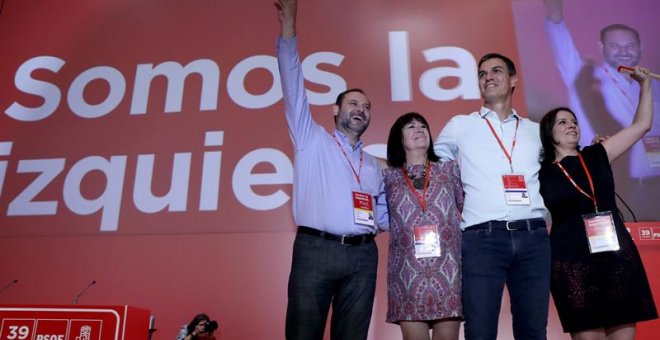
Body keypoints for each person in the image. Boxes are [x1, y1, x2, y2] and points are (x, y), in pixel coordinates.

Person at [274, 0, 388, 339]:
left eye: (366, 107)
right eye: (353, 103)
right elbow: (292, 83)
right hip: (316, 252)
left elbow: (382, 217)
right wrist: (289, 28)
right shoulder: (312, 139)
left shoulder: (373, 164)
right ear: (336, 109)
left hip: (364, 256)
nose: (361, 110)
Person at [434, 53, 550, 340]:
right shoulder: (460, 126)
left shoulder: (536, 131)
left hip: (533, 237)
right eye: (482, 73)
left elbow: (562, 167)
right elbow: (431, 167)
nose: (488, 77)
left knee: (533, 330)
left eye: (496, 71)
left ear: (513, 79)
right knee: (480, 330)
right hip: (482, 239)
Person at [538, 66, 658, 339]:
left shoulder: (597, 153)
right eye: (562, 122)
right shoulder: (540, 173)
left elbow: (642, 125)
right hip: (572, 264)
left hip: (616, 257)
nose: (572, 125)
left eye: (574, 121)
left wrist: (645, 84)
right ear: (549, 133)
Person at [542, 0, 660, 221]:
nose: (623, 52)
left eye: (630, 46)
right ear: (602, 46)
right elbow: (562, 45)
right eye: (615, 45)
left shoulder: (654, 85)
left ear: (640, 47)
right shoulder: (586, 77)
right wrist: (556, 18)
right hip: (625, 191)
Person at [383, 112, 464, 340]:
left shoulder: (449, 170)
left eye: (423, 126)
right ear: (399, 139)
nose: (419, 129)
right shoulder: (388, 177)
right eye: (410, 127)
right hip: (406, 274)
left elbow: (468, 207)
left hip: (448, 271)